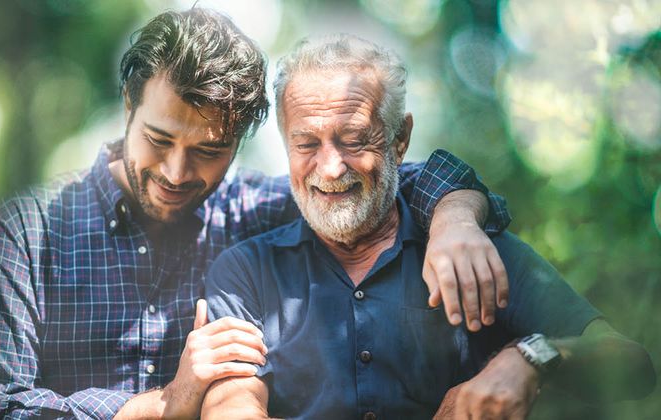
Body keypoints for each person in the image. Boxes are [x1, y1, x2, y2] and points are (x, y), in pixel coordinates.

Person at [0, 9, 513, 419]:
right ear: (129, 107)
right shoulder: (26, 232)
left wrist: (455, 219)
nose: (177, 173)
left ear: (242, 142)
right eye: (158, 139)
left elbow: (379, 179)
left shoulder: (257, 209)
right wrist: (161, 406)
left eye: (208, 151)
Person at [201, 34, 656, 420]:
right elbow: (230, 404)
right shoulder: (246, 270)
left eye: (354, 140)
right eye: (306, 143)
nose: (331, 167)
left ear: (400, 139)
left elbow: (633, 364)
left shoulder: (473, 250)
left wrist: (531, 355)